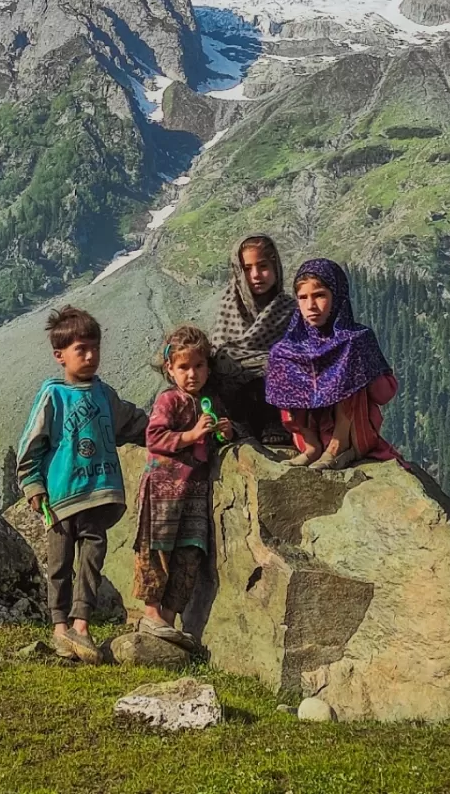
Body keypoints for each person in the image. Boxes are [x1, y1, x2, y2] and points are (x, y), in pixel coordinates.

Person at [16, 305, 148, 663]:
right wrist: (33, 485)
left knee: (91, 561)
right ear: (60, 355)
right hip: (60, 498)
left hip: (98, 494)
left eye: (95, 348)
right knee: (59, 564)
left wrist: (174, 431)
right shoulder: (53, 395)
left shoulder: (105, 395)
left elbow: (135, 424)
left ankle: (82, 623)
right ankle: (60, 626)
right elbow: (32, 442)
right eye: (81, 350)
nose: (90, 357)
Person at [133, 324, 232, 649]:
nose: (192, 374)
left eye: (199, 366)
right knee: (158, 550)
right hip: (163, 491)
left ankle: (171, 619)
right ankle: (151, 613)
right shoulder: (169, 400)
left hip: (193, 493)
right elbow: (154, 437)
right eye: (184, 367)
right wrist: (191, 435)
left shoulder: (209, 401)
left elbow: (214, 441)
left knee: (189, 553)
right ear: (170, 369)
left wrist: (223, 432)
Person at [265, 258, 398, 471]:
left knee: (348, 353)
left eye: (319, 295)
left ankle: (339, 445)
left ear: (337, 297)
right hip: (311, 430)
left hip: (355, 430)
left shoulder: (356, 339)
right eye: (302, 297)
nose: (311, 306)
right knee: (281, 357)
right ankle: (311, 446)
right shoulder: (292, 346)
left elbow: (384, 395)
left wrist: (367, 366)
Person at [210, 234, 295, 443]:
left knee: (283, 361)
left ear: (276, 266)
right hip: (235, 406)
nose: (256, 275)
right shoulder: (229, 306)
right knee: (222, 360)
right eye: (247, 269)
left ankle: (277, 426)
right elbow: (218, 351)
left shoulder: (290, 309)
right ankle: (237, 427)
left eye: (263, 266)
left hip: (277, 406)